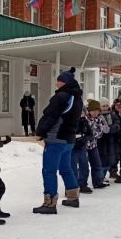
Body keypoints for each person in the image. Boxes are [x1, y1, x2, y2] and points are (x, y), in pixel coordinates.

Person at [33, 67, 83, 213]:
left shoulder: (61, 97)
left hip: (56, 139)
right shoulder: (77, 98)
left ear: (64, 82)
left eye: (58, 81)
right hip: (69, 139)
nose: (56, 84)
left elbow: (50, 116)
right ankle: (73, 197)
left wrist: (40, 131)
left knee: (49, 170)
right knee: (66, 168)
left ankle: (49, 203)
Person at [84, 99, 109, 190]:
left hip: (94, 145)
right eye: (93, 111)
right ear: (89, 110)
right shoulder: (85, 119)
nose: (95, 113)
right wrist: (90, 134)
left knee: (97, 164)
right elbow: (85, 132)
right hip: (84, 146)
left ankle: (98, 181)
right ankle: (82, 184)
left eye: (97, 111)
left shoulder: (99, 119)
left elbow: (101, 132)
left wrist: (93, 134)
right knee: (84, 166)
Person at [71, 109, 94, 193]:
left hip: (81, 147)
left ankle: (83, 184)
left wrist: (84, 139)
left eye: (82, 112)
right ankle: (71, 187)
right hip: (72, 147)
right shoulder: (70, 121)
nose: (81, 114)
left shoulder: (85, 122)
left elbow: (90, 134)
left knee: (84, 166)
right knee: (72, 168)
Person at [97, 97, 118, 185]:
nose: (105, 108)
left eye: (106, 106)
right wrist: (102, 129)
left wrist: (111, 129)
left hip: (110, 141)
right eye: (103, 106)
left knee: (109, 160)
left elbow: (117, 124)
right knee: (101, 159)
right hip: (100, 141)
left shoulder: (112, 115)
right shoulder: (97, 115)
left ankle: (104, 174)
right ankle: (100, 176)